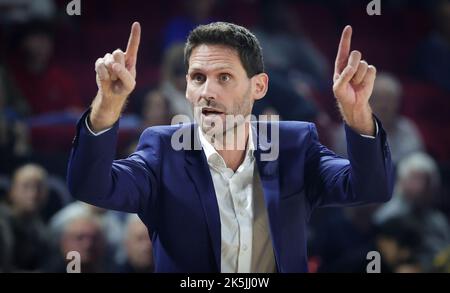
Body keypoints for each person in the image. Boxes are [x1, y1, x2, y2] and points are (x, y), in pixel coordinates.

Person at [67, 22, 394, 272]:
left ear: (258, 86)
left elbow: (370, 187)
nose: (207, 91)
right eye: (197, 77)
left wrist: (357, 116)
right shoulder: (162, 151)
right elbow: (90, 186)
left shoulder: (294, 145)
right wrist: (108, 106)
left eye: (224, 77)